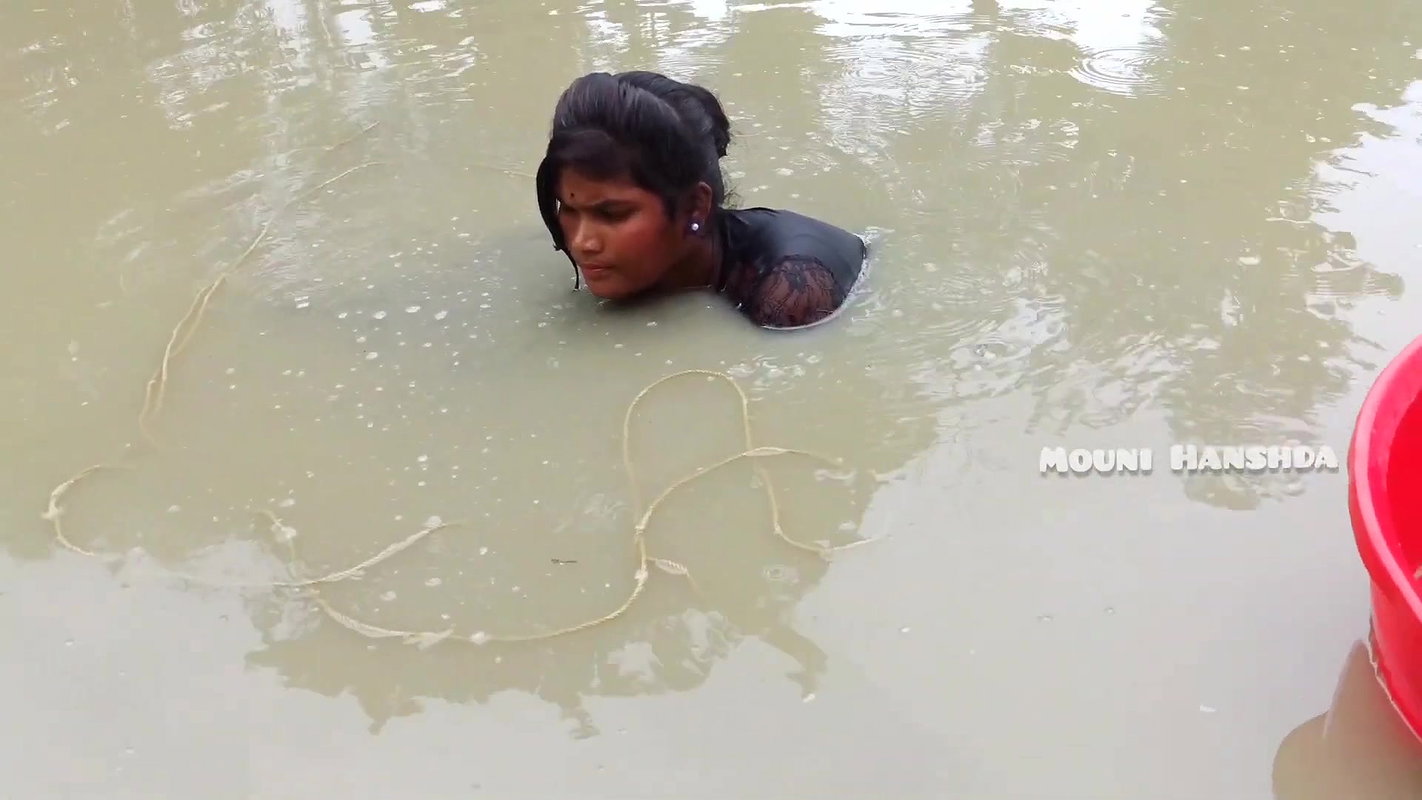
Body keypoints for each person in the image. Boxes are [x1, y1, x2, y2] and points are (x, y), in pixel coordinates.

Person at [534, 70, 867, 330]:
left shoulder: (793, 292)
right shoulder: (637, 262)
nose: (581, 242)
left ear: (695, 207)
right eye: (568, 208)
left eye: (612, 214)